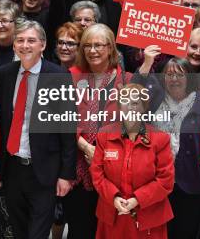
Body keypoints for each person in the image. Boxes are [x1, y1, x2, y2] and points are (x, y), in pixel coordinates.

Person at [0, 20, 76, 238]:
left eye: (31, 40)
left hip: (44, 171)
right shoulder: (5, 73)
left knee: (37, 233)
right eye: (20, 40)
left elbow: (67, 128)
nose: (25, 45)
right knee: (18, 230)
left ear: (43, 45)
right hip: (12, 169)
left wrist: (66, 175)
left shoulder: (58, 76)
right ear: (14, 45)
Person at [138, 57, 200, 239]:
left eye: (180, 74)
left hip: (190, 182)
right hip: (154, 180)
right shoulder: (153, 100)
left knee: (185, 232)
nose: (174, 79)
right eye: (169, 74)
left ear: (189, 77)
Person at [66, 23, 131, 238]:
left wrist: (101, 152)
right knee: (80, 227)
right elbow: (63, 119)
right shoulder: (71, 76)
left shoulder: (126, 81)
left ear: (111, 48)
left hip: (113, 170)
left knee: (108, 229)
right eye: (87, 45)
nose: (92, 50)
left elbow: (131, 123)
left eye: (98, 45)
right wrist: (84, 145)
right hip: (77, 165)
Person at [90, 83, 175, 238]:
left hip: (149, 216)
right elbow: (97, 174)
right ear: (119, 107)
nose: (130, 107)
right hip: (113, 213)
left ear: (143, 108)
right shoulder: (104, 135)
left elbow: (165, 180)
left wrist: (137, 199)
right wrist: (114, 197)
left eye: (135, 103)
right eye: (125, 102)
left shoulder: (160, 139)